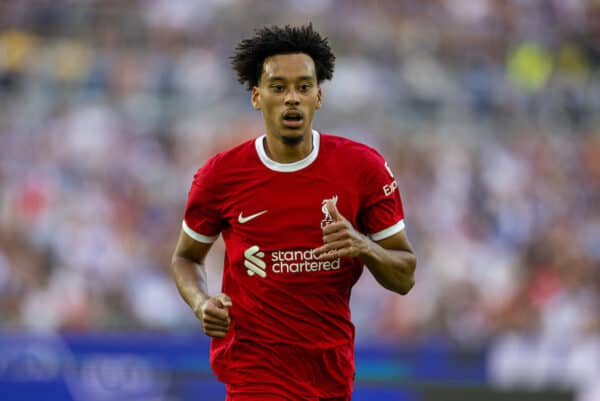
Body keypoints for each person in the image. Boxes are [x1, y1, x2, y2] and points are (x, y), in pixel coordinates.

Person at [171, 23, 416, 401]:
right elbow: (186, 258)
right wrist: (202, 302)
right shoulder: (220, 176)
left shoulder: (362, 168)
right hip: (254, 371)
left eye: (303, 87)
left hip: (331, 373)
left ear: (319, 96)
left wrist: (363, 246)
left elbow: (404, 276)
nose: (292, 99)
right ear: (256, 96)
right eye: (278, 87)